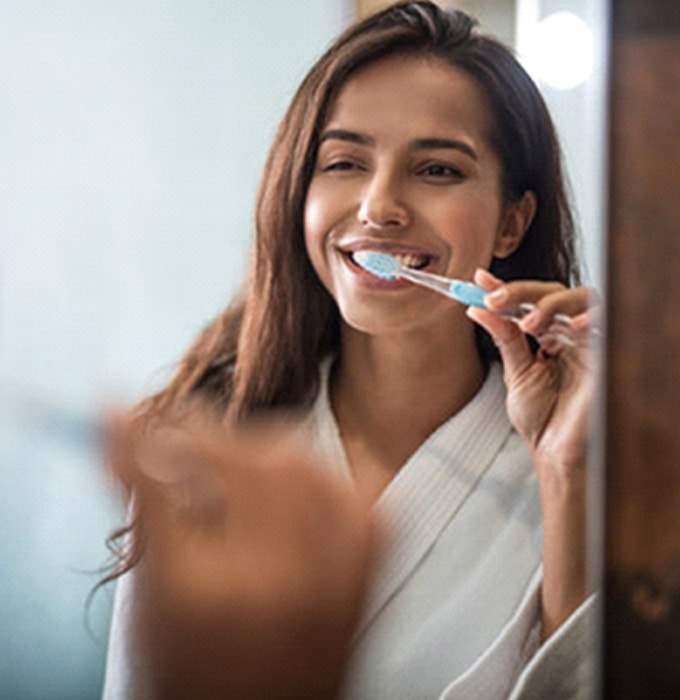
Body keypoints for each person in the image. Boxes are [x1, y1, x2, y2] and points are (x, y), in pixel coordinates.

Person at [102, 2, 598, 698]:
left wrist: (569, 473)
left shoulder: (588, 477)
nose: (379, 205)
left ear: (514, 220)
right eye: (344, 161)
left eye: (437, 170)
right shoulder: (206, 451)